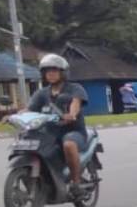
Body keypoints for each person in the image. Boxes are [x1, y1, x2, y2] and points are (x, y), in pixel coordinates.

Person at [22, 54, 88, 199]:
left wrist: (71, 114)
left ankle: (76, 184)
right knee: (28, 143)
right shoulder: (42, 93)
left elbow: (76, 103)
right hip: (50, 133)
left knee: (69, 144)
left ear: (62, 73)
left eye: (54, 70)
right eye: (47, 71)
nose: (50, 74)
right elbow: (30, 109)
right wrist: (14, 116)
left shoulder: (75, 88)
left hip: (73, 131)